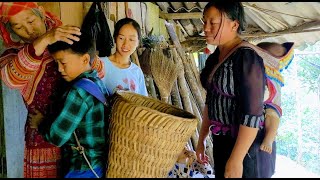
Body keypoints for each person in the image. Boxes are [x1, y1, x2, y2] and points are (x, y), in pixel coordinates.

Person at [0, 2, 104, 178]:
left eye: (31, 21)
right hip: (43, 141)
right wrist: (45, 40)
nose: (28, 30)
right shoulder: (13, 54)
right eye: (18, 27)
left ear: (41, 12)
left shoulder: (64, 36)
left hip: (79, 140)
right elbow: (11, 79)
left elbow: (98, 71)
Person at [195, 2, 275, 178]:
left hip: (245, 148)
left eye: (213, 23)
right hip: (222, 142)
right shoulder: (215, 58)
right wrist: (201, 139)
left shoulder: (247, 58)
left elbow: (252, 114)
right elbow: (211, 100)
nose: (205, 28)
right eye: (204, 22)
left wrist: (237, 158)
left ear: (234, 25)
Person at [32, 31, 108, 178]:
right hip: (98, 165)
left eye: (63, 62)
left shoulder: (79, 92)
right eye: (56, 63)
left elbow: (57, 137)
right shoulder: (97, 82)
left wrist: (40, 122)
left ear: (85, 59)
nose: (59, 69)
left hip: (83, 168)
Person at [256, 42, 294, 154]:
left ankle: (269, 138)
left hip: (271, 98)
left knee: (272, 114)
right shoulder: (260, 69)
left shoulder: (272, 74)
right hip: (262, 95)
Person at [100, 18, 148, 96]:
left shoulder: (137, 72)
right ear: (115, 38)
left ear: (138, 43)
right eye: (121, 38)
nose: (125, 44)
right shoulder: (100, 64)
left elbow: (142, 101)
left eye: (131, 40)